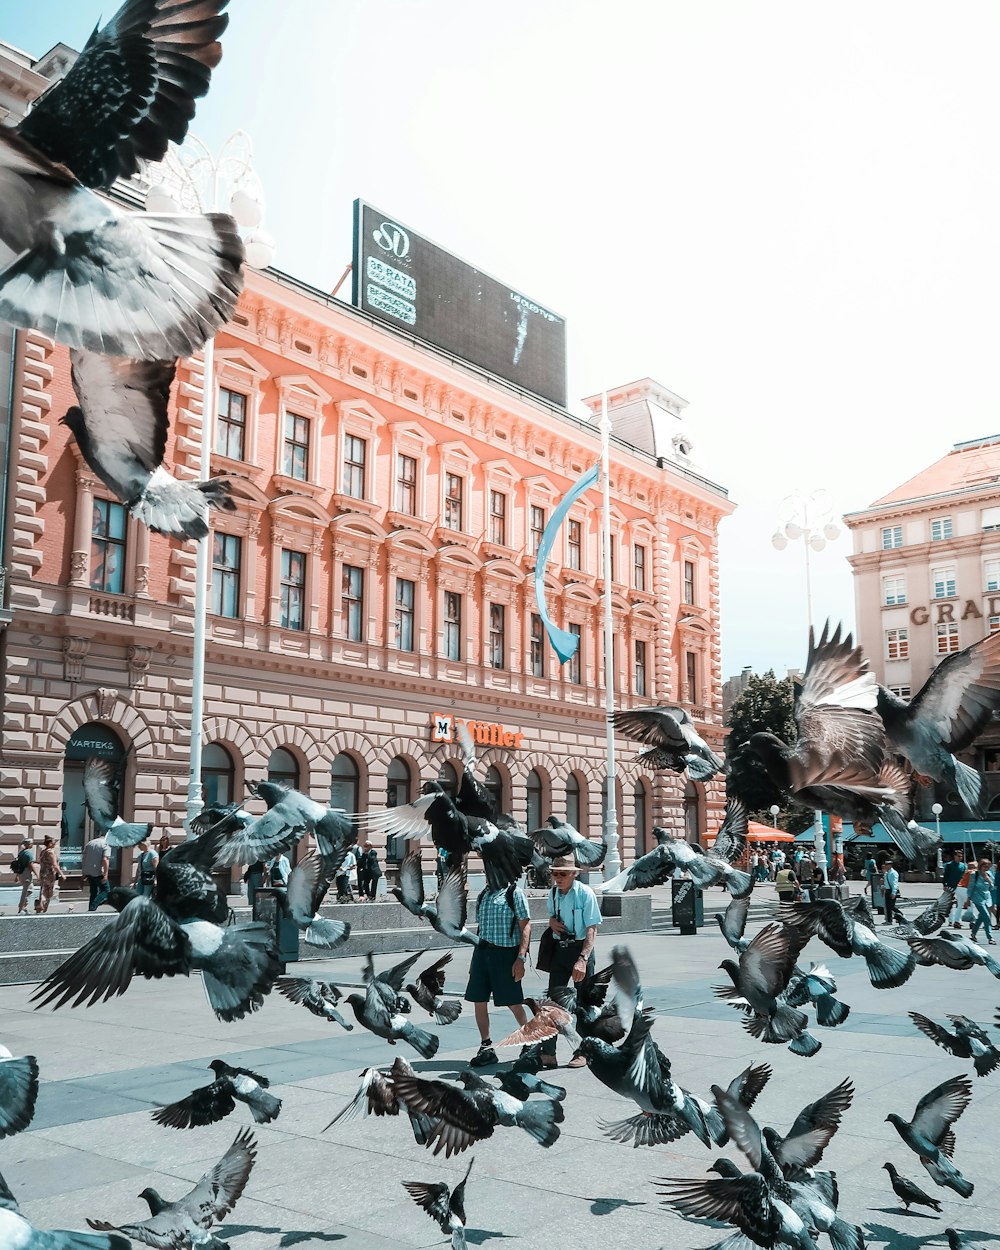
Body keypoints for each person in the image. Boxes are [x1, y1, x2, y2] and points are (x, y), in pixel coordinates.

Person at [539, 857, 602, 1070]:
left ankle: (583, 1051)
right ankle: (548, 1053)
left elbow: (592, 930)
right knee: (551, 1004)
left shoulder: (585, 894)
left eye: (562, 874)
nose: (557, 878)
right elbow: (551, 917)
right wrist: (551, 922)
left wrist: (583, 960)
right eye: (554, 873)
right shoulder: (554, 893)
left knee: (583, 1006)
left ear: (574, 874)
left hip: (580, 951)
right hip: (560, 951)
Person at [465, 880, 532, 1067]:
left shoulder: (513, 893)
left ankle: (529, 1040)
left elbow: (525, 926)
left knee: (513, 1001)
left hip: (506, 954)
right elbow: (482, 929)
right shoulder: (484, 894)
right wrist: (474, 959)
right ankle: (486, 1047)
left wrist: (521, 958)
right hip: (482, 952)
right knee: (479, 999)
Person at [967, 857, 996, 945]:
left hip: (987, 897)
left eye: (988, 867)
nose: (986, 869)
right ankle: (990, 937)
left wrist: (989, 881)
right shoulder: (974, 874)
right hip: (977, 898)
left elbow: (992, 887)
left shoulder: (989, 874)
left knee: (981, 917)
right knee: (986, 916)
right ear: (980, 866)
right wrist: (968, 899)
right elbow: (970, 886)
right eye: (984, 867)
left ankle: (973, 934)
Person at [35, 835, 66, 914]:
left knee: (43, 890)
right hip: (49, 873)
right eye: (53, 842)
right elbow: (55, 865)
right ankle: (43, 908)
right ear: (49, 844)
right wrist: (62, 874)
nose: (55, 844)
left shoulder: (43, 851)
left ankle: (40, 906)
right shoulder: (51, 852)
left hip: (42, 873)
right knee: (48, 891)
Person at [81, 830, 110, 911]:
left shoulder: (90, 843)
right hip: (98, 872)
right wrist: (106, 874)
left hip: (89, 871)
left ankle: (91, 910)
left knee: (93, 892)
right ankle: (93, 906)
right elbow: (105, 859)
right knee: (106, 891)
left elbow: (84, 858)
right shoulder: (106, 844)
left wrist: (83, 871)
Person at [942, 847, 968, 928]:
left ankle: (957, 920)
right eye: (958, 856)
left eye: (961, 856)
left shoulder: (963, 866)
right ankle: (950, 920)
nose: (960, 858)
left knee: (959, 904)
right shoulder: (949, 865)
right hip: (950, 885)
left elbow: (964, 876)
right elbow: (945, 876)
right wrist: (945, 885)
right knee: (950, 903)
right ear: (954, 856)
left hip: (960, 886)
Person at [11, 837, 36, 915]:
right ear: (29, 844)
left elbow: (19, 865)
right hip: (26, 873)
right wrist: (37, 874)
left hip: (21, 873)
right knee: (28, 891)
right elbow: (30, 864)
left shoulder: (21, 853)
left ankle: (24, 907)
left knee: (27, 890)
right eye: (32, 843)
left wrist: (17, 876)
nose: (33, 844)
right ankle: (21, 908)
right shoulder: (28, 853)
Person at [882, 859, 901, 925]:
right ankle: (889, 920)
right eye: (885, 864)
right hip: (887, 890)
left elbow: (894, 883)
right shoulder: (887, 873)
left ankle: (901, 915)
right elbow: (886, 882)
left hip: (892, 890)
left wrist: (893, 892)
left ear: (890, 865)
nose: (886, 866)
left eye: (887, 864)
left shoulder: (893, 873)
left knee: (892, 906)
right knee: (888, 907)